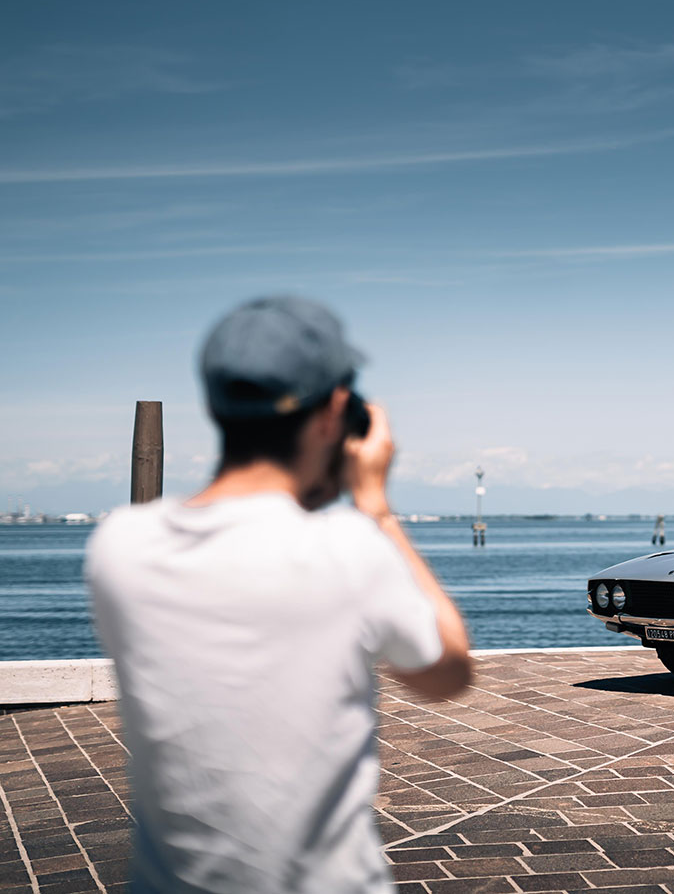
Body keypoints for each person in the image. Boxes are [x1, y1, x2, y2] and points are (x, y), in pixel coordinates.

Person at [85, 296, 473, 893]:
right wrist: (376, 508)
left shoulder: (120, 546)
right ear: (336, 410)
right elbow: (447, 674)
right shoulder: (351, 548)